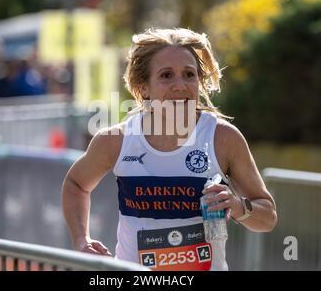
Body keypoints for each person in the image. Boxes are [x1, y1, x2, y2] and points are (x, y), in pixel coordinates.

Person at [62, 28, 277, 271]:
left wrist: (239, 206)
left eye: (189, 74)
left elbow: (267, 217)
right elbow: (76, 184)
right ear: (144, 87)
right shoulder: (116, 140)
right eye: (166, 75)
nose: (180, 85)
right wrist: (82, 240)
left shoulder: (223, 138)